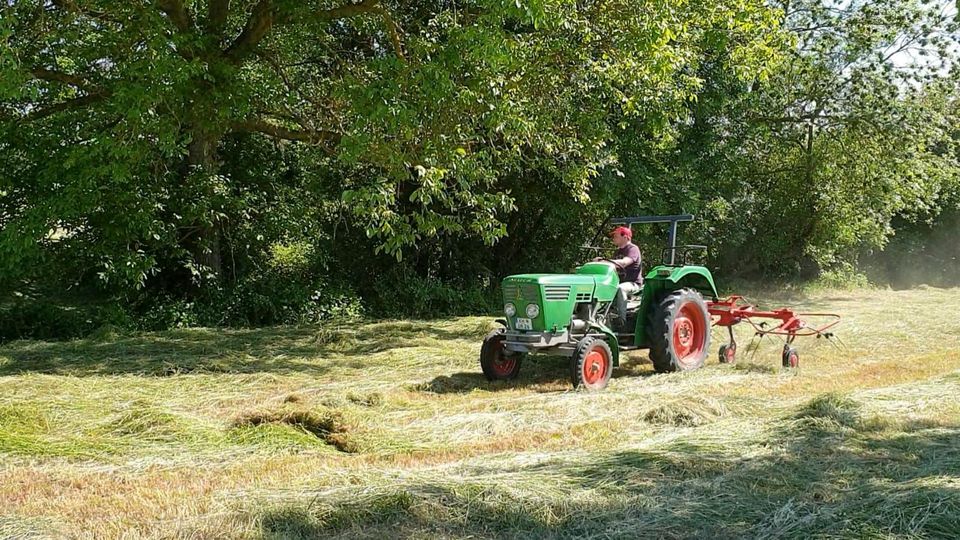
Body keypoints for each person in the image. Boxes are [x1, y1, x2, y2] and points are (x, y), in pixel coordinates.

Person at [594, 226, 642, 327]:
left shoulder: (633, 249)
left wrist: (605, 261)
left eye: (616, 236)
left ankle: (621, 321)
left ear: (625, 237)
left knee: (621, 288)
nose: (613, 238)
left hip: (633, 283)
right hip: (616, 282)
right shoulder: (618, 251)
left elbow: (624, 262)